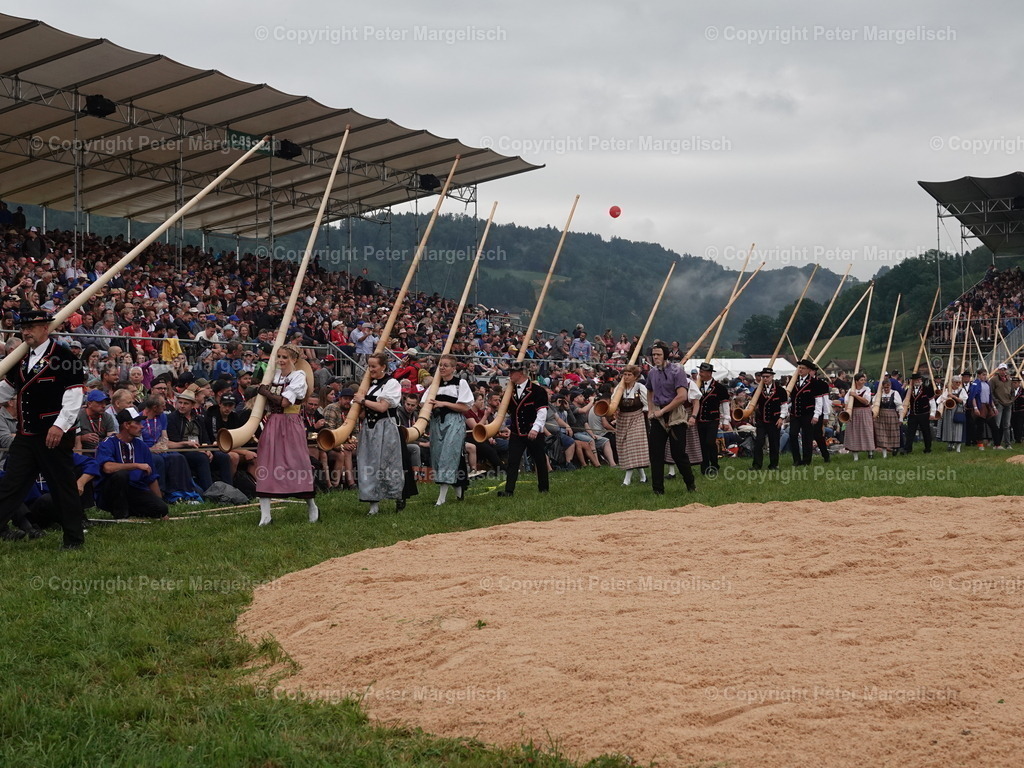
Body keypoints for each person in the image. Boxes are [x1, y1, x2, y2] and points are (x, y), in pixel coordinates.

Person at [0, 309, 87, 550]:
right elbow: (8, 390)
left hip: (53, 435)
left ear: (46, 329)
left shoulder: (63, 356)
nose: (26, 331)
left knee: (62, 487)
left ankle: (74, 539)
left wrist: (59, 426)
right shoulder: (20, 358)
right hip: (26, 435)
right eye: (23, 327)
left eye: (32, 327)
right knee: (10, 485)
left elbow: (73, 396)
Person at [254, 345, 319, 525]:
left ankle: (312, 505)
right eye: (279, 357)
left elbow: (284, 402)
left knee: (297, 463)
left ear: (294, 360)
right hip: (273, 422)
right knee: (267, 462)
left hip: (290, 422)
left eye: (285, 357)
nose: (281, 360)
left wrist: (264, 391)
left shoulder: (299, 377)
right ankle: (265, 515)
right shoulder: (274, 375)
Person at [355, 351, 416, 514]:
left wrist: (362, 400)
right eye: (369, 366)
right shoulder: (371, 384)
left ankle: (398, 495)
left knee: (388, 464)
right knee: (369, 464)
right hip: (370, 428)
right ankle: (373, 506)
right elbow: (364, 412)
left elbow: (382, 407)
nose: (371, 369)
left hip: (386, 427)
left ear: (383, 367)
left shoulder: (392, 383)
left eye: (374, 366)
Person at [92, 407, 168, 519]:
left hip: (135, 490)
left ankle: (130, 511)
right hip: (110, 491)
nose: (142, 426)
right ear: (127, 425)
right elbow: (107, 467)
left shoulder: (142, 446)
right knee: (121, 475)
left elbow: (151, 477)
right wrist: (136, 465)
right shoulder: (108, 443)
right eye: (137, 423)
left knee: (161, 508)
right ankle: (120, 515)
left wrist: (160, 504)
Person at [645, 342, 696, 494]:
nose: (655, 357)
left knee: (678, 453)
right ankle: (658, 490)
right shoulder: (652, 373)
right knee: (656, 454)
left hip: (675, 414)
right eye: (654, 354)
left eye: (658, 354)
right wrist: (651, 408)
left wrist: (663, 411)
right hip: (658, 415)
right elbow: (649, 390)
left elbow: (682, 397)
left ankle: (690, 484)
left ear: (665, 355)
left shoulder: (677, 371)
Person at [423, 354, 473, 505]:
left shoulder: (460, 383)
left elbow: (465, 406)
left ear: (453, 368)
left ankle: (441, 498)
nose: (442, 368)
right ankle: (459, 490)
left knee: (448, 454)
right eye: (441, 365)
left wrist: (443, 403)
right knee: (438, 455)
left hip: (454, 422)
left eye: (446, 365)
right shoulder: (435, 385)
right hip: (436, 422)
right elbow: (424, 402)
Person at [497, 361, 550, 497]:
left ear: (520, 374)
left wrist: (536, 428)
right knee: (513, 461)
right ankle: (509, 490)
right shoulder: (510, 392)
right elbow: (506, 411)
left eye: (511, 373)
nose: (509, 376)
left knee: (539, 460)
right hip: (516, 432)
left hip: (533, 431)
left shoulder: (538, 391)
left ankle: (543, 488)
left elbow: (542, 412)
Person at [788, 358, 829, 466]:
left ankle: (806, 461)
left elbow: (819, 400)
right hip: (795, 413)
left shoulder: (814, 383)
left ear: (808, 370)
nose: (800, 370)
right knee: (792, 435)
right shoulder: (793, 381)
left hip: (808, 414)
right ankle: (796, 459)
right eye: (799, 368)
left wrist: (817, 415)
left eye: (803, 368)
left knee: (807, 437)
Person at [614, 364, 648, 485]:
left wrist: (644, 413)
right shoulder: (620, 387)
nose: (626, 377)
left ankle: (627, 480)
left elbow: (647, 403)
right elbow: (614, 402)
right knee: (626, 448)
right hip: (623, 419)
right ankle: (643, 476)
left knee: (632, 446)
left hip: (636, 418)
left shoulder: (640, 387)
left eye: (629, 375)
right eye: (625, 374)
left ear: (635, 377)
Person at [694, 363, 730, 476]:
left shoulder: (719, 388)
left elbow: (725, 405)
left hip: (713, 419)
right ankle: (704, 467)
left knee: (710, 442)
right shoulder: (697, 386)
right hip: (700, 419)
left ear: (709, 373)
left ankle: (714, 465)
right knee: (702, 444)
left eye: (702, 372)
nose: (700, 374)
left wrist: (726, 421)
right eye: (700, 372)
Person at [751, 367, 787, 470]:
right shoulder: (758, 390)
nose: (765, 379)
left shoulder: (780, 390)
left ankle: (773, 465)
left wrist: (781, 418)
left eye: (767, 377)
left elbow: (784, 406)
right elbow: (752, 403)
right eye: (763, 377)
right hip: (761, 420)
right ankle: (757, 465)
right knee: (759, 442)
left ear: (772, 377)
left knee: (774, 443)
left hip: (774, 420)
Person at [842, 373, 876, 460]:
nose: (863, 381)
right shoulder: (850, 390)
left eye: (864, 380)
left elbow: (866, 401)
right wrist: (847, 413)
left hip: (864, 412)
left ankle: (870, 452)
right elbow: (846, 402)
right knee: (854, 433)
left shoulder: (867, 389)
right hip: (853, 412)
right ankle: (855, 456)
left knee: (867, 431)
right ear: (856, 381)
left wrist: (855, 395)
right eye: (861, 380)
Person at [903, 373, 936, 454]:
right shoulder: (909, 390)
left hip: (924, 414)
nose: (917, 381)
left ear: (921, 380)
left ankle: (928, 448)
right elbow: (905, 401)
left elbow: (932, 401)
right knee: (910, 432)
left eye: (919, 379)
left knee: (926, 432)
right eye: (915, 380)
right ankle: (908, 449)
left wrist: (932, 413)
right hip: (913, 414)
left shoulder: (926, 389)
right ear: (912, 381)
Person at [872, 377, 904, 458]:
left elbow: (899, 406)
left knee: (893, 433)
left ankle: (895, 448)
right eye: (885, 387)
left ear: (890, 386)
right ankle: (884, 454)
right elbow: (874, 404)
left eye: (888, 387)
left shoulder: (895, 393)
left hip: (892, 415)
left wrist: (900, 418)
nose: (886, 389)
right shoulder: (879, 394)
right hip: (881, 416)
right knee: (882, 434)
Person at [937, 374, 967, 452]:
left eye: (959, 382)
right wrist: (945, 400)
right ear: (952, 383)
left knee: (958, 429)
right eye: (956, 382)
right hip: (949, 411)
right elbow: (941, 400)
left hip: (958, 411)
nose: (958, 384)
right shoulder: (947, 391)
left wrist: (953, 397)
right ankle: (950, 444)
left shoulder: (962, 390)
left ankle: (958, 447)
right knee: (949, 428)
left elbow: (963, 401)